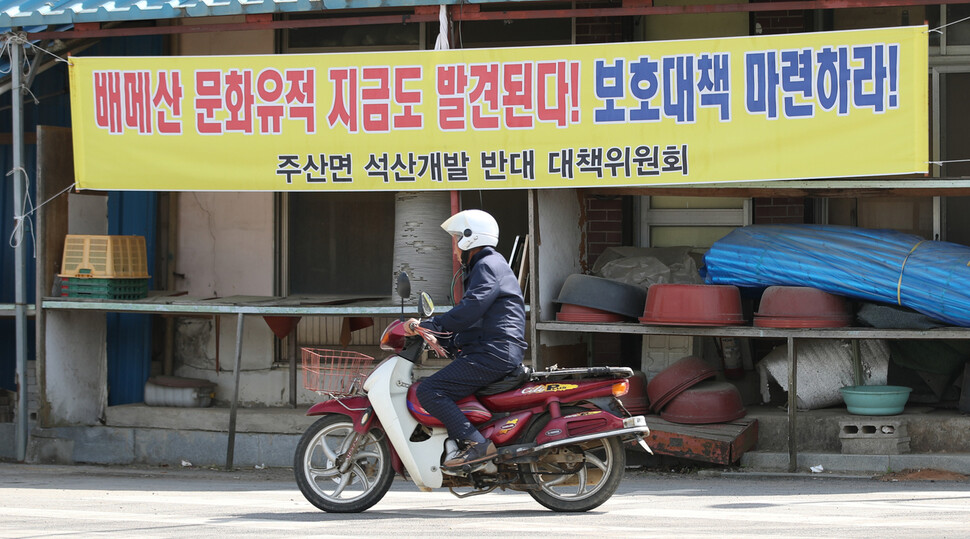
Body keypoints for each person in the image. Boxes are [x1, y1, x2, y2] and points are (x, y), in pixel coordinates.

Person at [404, 209, 527, 469]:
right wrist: (448, 339)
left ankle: (476, 445)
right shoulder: (489, 265)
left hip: (493, 352)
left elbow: (472, 307)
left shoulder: (487, 264)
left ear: (470, 238)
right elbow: (478, 317)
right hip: (492, 349)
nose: (455, 250)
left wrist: (433, 324)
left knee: (430, 390)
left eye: (457, 239)